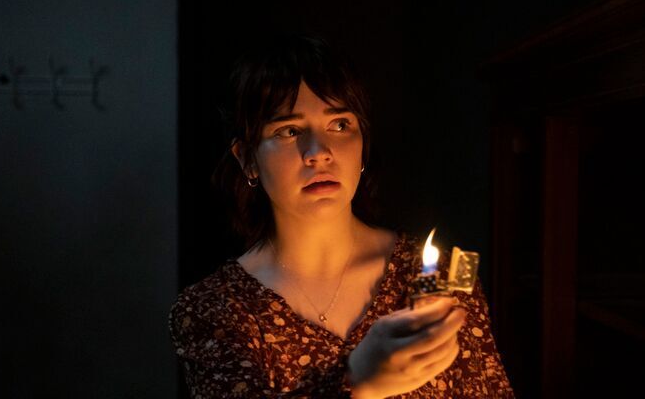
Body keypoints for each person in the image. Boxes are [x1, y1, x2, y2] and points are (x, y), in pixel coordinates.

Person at [168, 35, 514, 398]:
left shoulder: (443, 279)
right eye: (289, 131)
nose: (319, 152)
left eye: (339, 125)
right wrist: (360, 383)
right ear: (247, 158)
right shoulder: (213, 310)